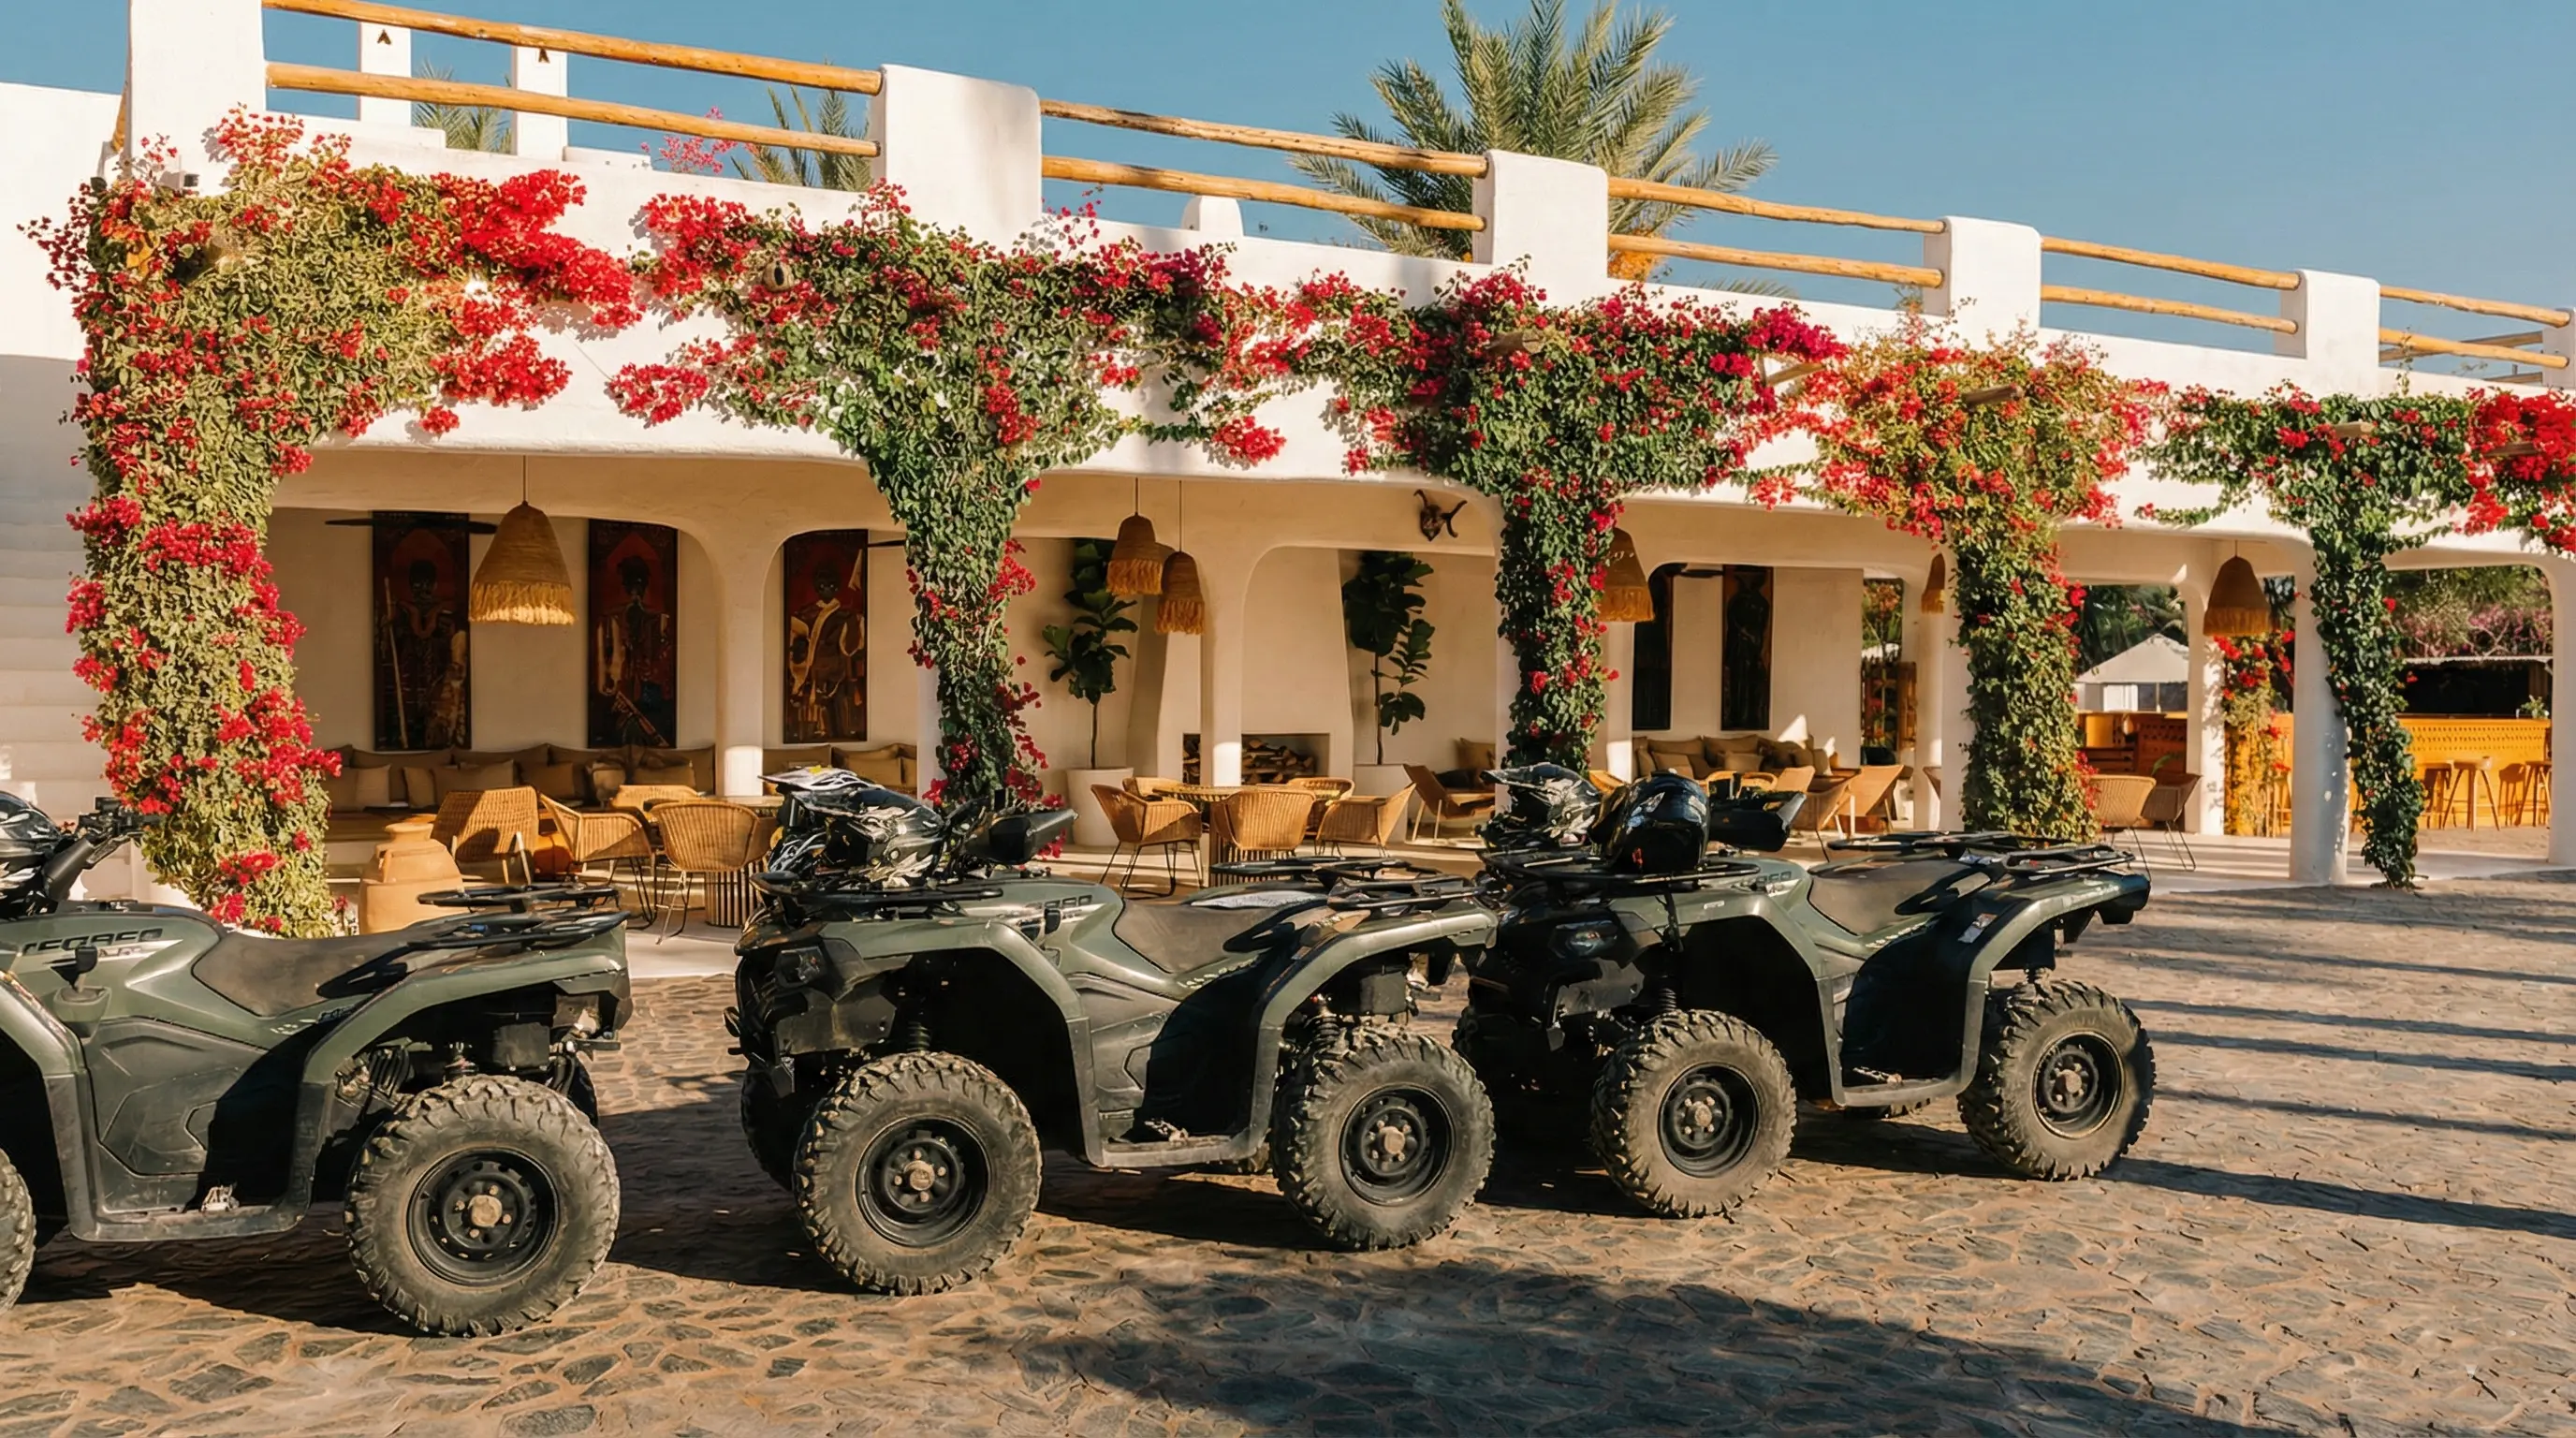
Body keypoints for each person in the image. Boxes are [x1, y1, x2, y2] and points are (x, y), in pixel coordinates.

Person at [785, 551, 866, 741]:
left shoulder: (845, 616)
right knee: (808, 724)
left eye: (830, 585)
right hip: (811, 677)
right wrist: (799, 650)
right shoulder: (805, 614)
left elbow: (851, 648)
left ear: (837, 587)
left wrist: (854, 623)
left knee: (838, 718)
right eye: (822, 585)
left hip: (836, 676)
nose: (826, 589)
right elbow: (796, 643)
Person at [594, 554, 674, 746]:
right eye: (631, 584)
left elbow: (662, 663)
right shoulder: (612, 620)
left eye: (639, 584)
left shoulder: (655, 621)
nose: (635, 591)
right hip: (623, 691)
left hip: (645, 692)